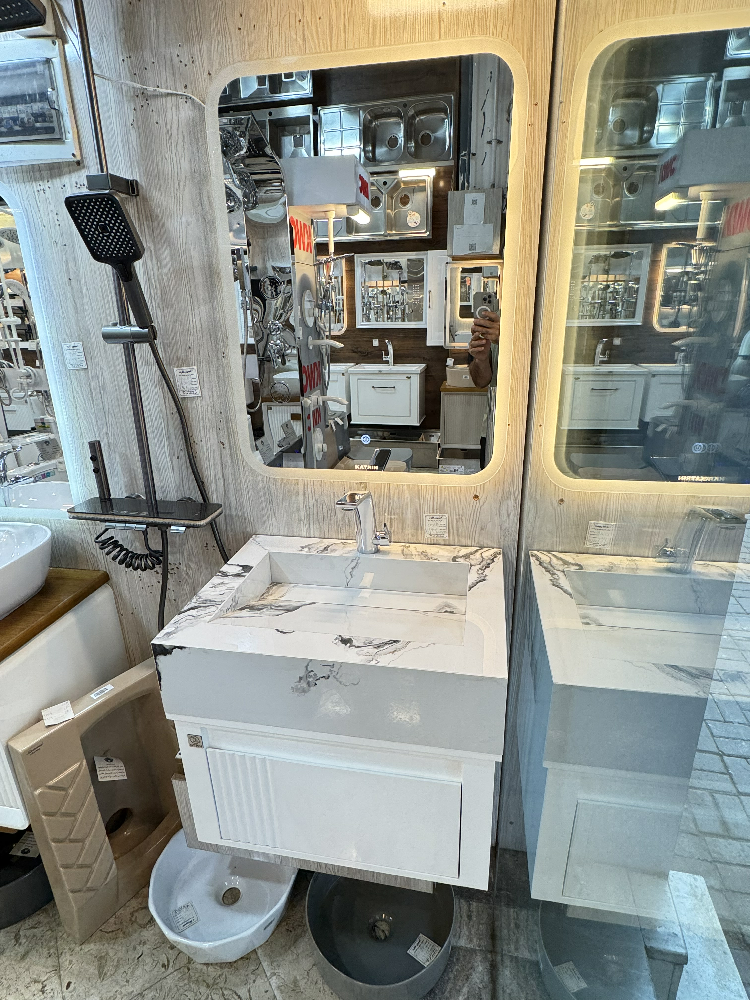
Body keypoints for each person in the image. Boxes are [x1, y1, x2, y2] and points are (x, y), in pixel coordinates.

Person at [468, 310, 500, 467]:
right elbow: (480, 381)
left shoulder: (542, 317)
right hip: (493, 424)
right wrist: (481, 359)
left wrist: (507, 341)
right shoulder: (492, 320)